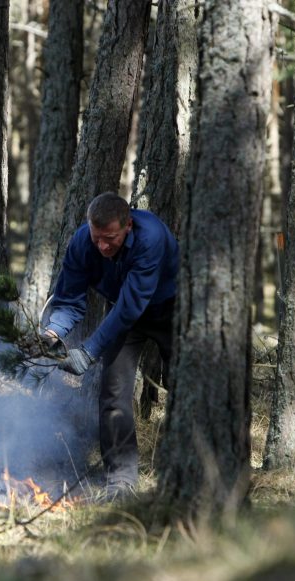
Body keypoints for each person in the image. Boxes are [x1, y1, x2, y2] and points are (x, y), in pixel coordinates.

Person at [44, 191, 179, 496]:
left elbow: (132, 305)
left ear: (128, 225)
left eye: (110, 238)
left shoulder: (151, 237)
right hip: (122, 312)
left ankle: (187, 469)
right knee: (114, 393)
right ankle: (120, 480)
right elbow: (69, 299)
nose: (103, 246)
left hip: (173, 309)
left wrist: (89, 351)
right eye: (97, 237)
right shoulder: (82, 243)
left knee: (183, 385)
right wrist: (52, 333)